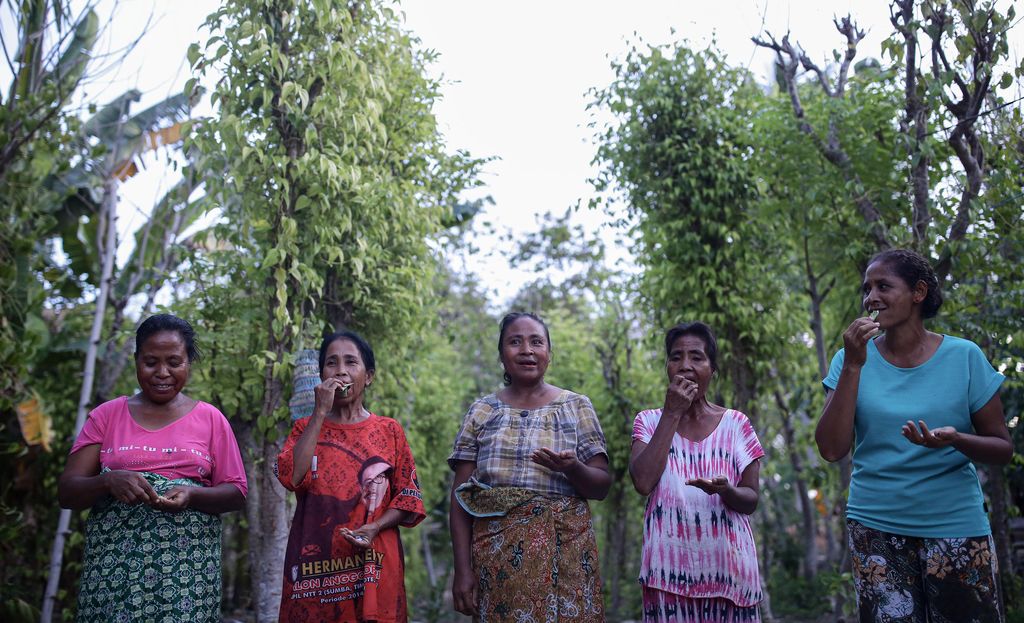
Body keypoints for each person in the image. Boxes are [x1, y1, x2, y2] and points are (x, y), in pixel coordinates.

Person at [817, 248, 1012, 622]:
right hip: (875, 527)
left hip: (956, 526)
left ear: (918, 292)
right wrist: (854, 367)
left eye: (883, 286)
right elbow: (831, 448)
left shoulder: (964, 357)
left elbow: (1002, 448)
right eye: (867, 288)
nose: (871, 297)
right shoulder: (849, 360)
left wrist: (957, 439)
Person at [58, 313, 247, 622]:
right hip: (112, 577)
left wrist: (192, 495)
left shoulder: (211, 419)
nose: (162, 373)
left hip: (187, 582)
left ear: (189, 362)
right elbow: (67, 492)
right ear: (136, 360)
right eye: (150, 362)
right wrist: (107, 482)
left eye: (174, 362)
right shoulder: (106, 416)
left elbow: (237, 493)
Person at [448, 312, 611, 622]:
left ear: (549, 353)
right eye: (514, 342)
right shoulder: (482, 411)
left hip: (568, 559)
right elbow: (460, 499)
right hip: (498, 564)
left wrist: (573, 468)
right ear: (501, 355)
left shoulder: (576, 406)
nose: (526, 350)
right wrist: (462, 570)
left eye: (537, 342)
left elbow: (601, 485)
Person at [276, 330, 425, 623]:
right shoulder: (303, 429)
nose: (341, 371)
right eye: (332, 363)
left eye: (351, 362)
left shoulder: (389, 430)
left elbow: (407, 498)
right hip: (314, 571)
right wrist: (319, 413)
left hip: (374, 565)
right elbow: (293, 477)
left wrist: (375, 526)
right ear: (322, 375)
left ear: (368, 376)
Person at [629, 321, 764, 623]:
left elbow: (751, 499)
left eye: (697, 357)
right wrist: (672, 412)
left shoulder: (736, 424)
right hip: (667, 578)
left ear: (712, 370)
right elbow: (643, 481)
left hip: (730, 575)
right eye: (676, 357)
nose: (685, 366)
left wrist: (726, 491)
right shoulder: (649, 422)